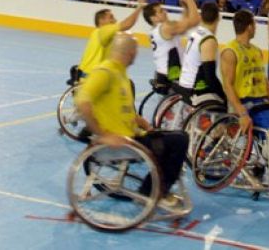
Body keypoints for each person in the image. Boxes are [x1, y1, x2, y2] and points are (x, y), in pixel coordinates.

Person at [75, 34, 188, 209]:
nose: (136, 54)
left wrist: (146, 125)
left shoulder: (120, 75)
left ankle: (152, 189)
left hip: (132, 137)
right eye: (135, 51)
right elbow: (82, 101)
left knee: (176, 136)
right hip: (122, 143)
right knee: (179, 141)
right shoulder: (105, 73)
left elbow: (126, 112)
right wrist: (102, 135)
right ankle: (153, 192)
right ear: (130, 53)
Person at [221, 9, 269, 156]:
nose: (256, 28)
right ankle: (262, 161)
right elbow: (227, 85)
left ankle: (262, 161)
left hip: (261, 103)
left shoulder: (257, 51)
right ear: (249, 27)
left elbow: (265, 82)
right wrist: (242, 113)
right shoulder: (230, 52)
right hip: (243, 103)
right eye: (255, 25)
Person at [142, 0, 200, 90]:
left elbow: (184, 24)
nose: (165, 12)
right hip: (172, 75)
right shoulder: (165, 28)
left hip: (162, 73)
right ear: (153, 18)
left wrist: (185, 5)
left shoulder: (155, 30)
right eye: (161, 11)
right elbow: (195, 20)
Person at [77, 0, 149, 77]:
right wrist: (139, 7)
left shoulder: (103, 34)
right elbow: (127, 24)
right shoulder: (103, 30)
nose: (115, 20)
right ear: (101, 20)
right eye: (111, 17)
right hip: (91, 75)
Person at [176, 2, 224, 101]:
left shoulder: (194, 33)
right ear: (218, 18)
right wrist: (224, 96)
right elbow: (210, 77)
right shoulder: (208, 40)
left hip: (183, 83)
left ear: (201, 17)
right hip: (195, 89)